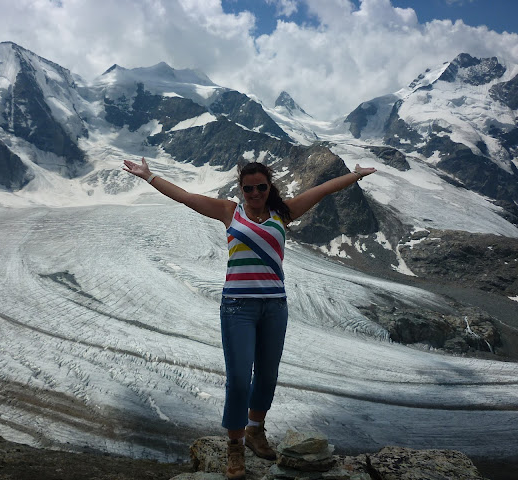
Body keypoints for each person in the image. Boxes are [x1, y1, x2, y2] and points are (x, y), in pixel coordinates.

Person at [122, 157, 376, 479]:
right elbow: (185, 197)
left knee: (267, 376)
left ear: (269, 187)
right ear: (241, 189)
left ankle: (256, 430)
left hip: (274, 307)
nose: (255, 193)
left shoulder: (283, 213)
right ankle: (235, 446)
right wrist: (148, 176)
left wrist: (355, 175)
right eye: (249, 188)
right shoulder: (230, 212)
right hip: (237, 307)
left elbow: (323, 190)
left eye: (261, 187)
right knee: (240, 379)